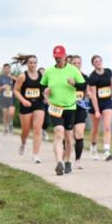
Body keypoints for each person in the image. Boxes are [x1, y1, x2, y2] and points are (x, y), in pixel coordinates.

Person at [40, 46, 86, 175]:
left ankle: (68, 161)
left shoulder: (73, 70)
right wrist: (45, 91)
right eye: (56, 57)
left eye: (60, 57)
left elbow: (83, 85)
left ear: (65, 56)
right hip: (55, 107)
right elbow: (41, 86)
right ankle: (59, 162)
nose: (58, 59)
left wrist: (74, 84)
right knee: (58, 132)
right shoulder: (49, 72)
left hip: (70, 107)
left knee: (69, 137)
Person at [14, 54, 45, 163]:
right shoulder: (22, 76)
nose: (33, 65)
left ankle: (35, 155)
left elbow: (44, 89)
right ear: (27, 64)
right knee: (25, 131)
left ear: (37, 64)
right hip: (26, 105)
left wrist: (46, 97)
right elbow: (16, 90)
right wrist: (23, 100)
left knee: (37, 129)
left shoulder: (41, 75)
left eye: (34, 63)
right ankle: (23, 143)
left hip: (38, 104)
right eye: (30, 63)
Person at [87, 55, 112, 161]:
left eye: (99, 61)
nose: (98, 63)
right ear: (93, 64)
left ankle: (106, 151)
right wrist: (97, 110)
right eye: (95, 61)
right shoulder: (92, 77)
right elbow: (93, 95)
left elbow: (111, 82)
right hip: (96, 104)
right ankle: (93, 146)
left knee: (107, 127)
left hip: (107, 102)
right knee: (95, 129)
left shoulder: (108, 71)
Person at [68, 55, 90, 171]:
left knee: (79, 133)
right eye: (74, 63)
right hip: (68, 108)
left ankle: (77, 160)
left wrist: (88, 95)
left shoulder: (85, 77)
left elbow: (86, 90)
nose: (77, 65)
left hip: (80, 108)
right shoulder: (66, 77)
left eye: (79, 63)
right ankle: (66, 158)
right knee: (68, 135)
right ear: (70, 64)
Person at [0, 63, 17, 134]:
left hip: (11, 98)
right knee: (5, 114)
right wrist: (2, 87)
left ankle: (10, 122)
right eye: (5, 68)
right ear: (3, 69)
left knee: (11, 113)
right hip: (4, 98)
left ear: (10, 69)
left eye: (8, 68)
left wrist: (15, 79)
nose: (7, 70)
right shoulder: (1, 77)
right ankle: (5, 128)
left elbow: (19, 84)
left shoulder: (13, 77)